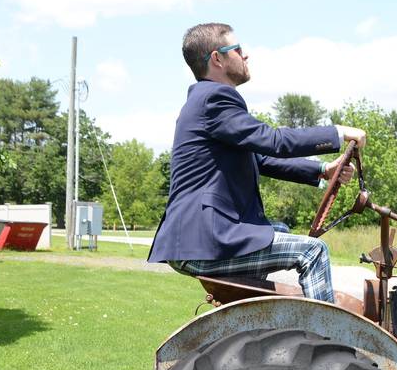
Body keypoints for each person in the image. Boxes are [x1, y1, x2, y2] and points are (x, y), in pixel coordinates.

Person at [148, 23, 364, 303]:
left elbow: (260, 159)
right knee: (313, 251)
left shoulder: (204, 101)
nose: (245, 55)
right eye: (237, 49)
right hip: (204, 241)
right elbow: (274, 141)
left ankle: (262, 324)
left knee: (279, 231)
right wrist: (338, 132)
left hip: (196, 240)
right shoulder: (215, 98)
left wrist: (323, 170)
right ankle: (328, 343)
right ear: (217, 58)